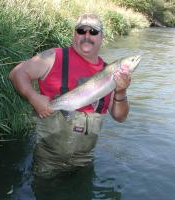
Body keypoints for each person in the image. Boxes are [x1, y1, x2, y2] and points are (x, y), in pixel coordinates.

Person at [9, 13, 132, 178]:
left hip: (84, 164)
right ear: (74, 34)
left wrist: (121, 91)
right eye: (81, 30)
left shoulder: (109, 73)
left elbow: (120, 117)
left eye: (93, 32)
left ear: (102, 37)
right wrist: (34, 97)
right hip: (47, 164)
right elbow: (17, 74)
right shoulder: (54, 57)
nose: (87, 35)